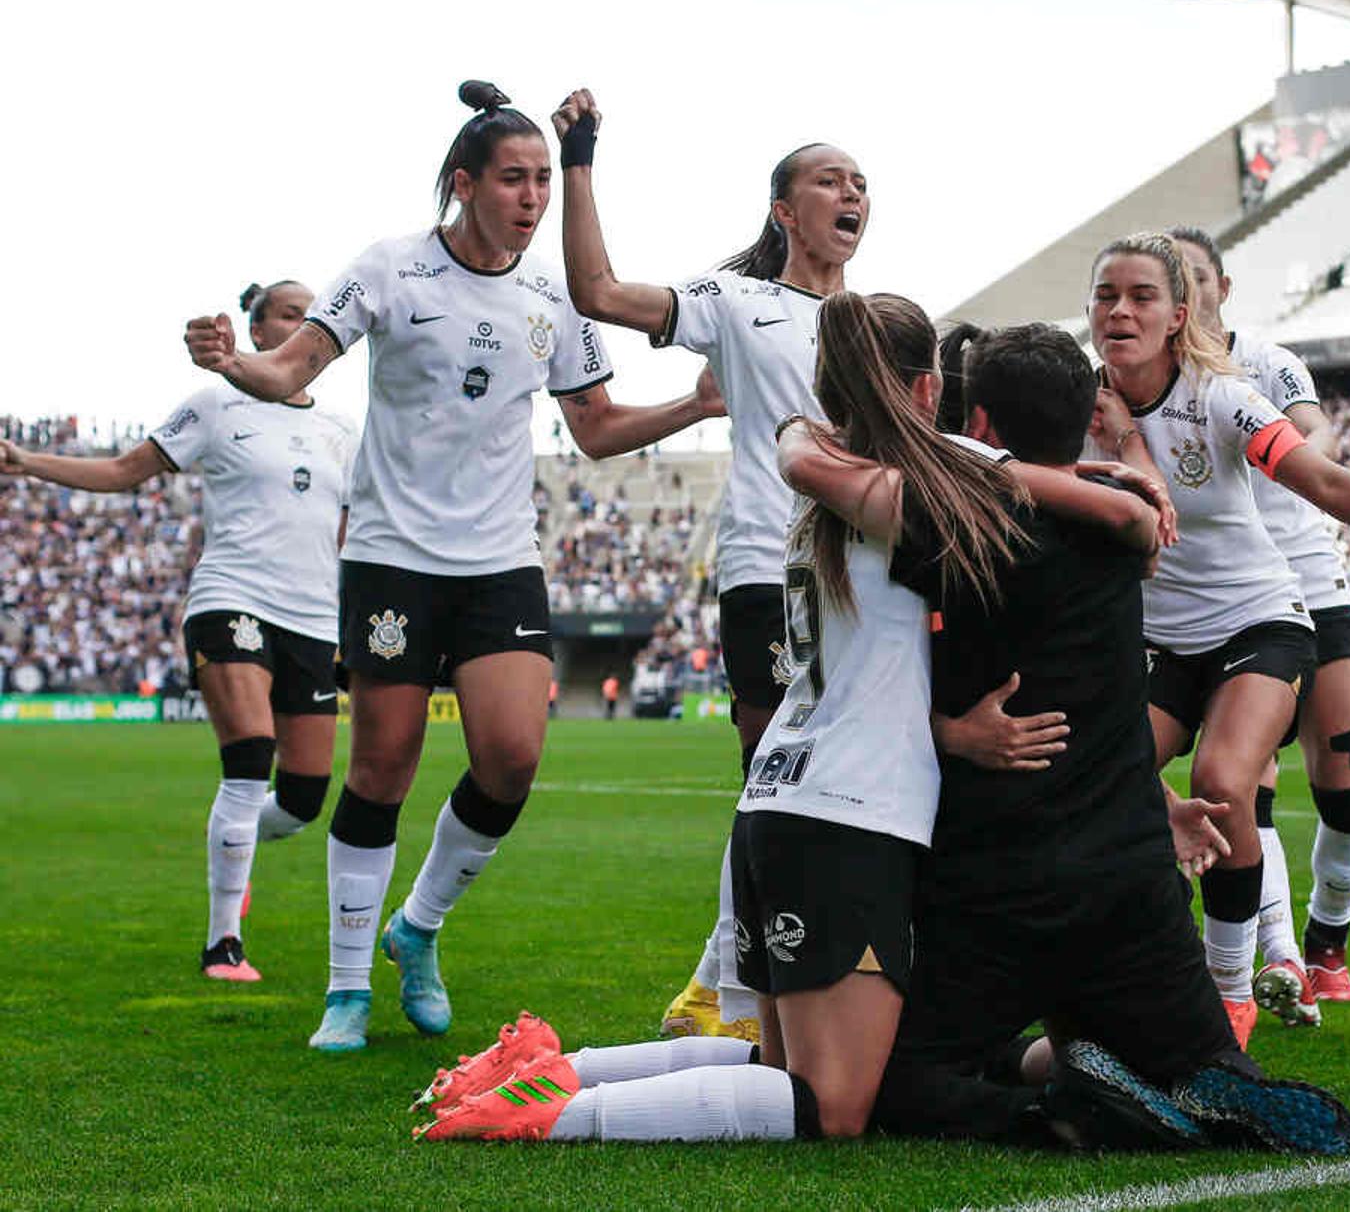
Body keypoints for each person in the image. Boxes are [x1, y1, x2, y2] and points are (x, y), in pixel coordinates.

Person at [184, 80, 724, 1052]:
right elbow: (293, 368)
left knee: (512, 757)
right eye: (513, 178)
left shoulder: (553, 296)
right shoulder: (392, 269)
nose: (531, 196)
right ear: (464, 184)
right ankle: (347, 990)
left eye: (542, 181)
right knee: (382, 765)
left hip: (498, 561)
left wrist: (693, 405)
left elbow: (596, 427)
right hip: (392, 559)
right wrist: (233, 364)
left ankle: (417, 928)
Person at [417, 290, 1028, 1143]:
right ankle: (553, 1116)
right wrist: (1121, 491)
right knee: (835, 1103)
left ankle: (552, 1070)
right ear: (928, 390)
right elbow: (1025, 482)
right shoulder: (922, 483)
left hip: (778, 803)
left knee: (778, 1069)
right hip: (852, 815)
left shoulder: (819, 484)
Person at [871, 320, 1350, 1155]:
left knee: (894, 1078)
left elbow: (824, 466)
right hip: (1132, 878)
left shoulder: (950, 536)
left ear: (982, 428)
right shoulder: (1124, 523)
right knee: (1201, 1056)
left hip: (999, 884)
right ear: (1084, 417)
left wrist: (949, 733)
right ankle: (1192, 1076)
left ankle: (1058, 1103)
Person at [1084, 231, 1350, 1048]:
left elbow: (1321, 478)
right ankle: (1165, 951)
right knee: (1095, 779)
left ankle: (1231, 997)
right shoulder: (1075, 406)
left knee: (1226, 776)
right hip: (1158, 647)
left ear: (1179, 312)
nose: (1120, 310)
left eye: (1141, 296)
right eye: (1106, 295)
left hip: (1259, 622)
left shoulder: (1222, 396)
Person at [549, 87, 870, 1042]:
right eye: (828, 179)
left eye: (860, 182)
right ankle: (724, 991)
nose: (849, 192)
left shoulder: (881, 326)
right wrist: (580, 159)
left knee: (837, 777)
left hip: (865, 578)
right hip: (771, 572)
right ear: (785, 209)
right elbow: (598, 292)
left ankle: (769, 978)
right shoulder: (739, 303)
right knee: (772, 770)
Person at [4, 279, 353, 984]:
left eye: (310, 314)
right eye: (288, 312)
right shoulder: (217, 404)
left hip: (313, 618)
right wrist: (28, 462)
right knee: (250, 756)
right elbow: (126, 469)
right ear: (257, 332)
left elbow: (357, 529)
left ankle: (237, 848)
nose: (302, 322)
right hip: (232, 597)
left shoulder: (343, 432)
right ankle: (222, 940)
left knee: (305, 797)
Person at [1171, 226, 1350, 1021]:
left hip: (1308, 581)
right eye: (1171, 280)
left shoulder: (1265, 362)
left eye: (1196, 277)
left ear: (1222, 284)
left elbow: (1316, 431)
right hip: (1224, 598)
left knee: (1344, 784)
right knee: (1241, 787)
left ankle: (1329, 937)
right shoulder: (1153, 373)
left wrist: (1281, 451)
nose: (1188, 293)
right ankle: (1276, 956)